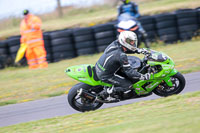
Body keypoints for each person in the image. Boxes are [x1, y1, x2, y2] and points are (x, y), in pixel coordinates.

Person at [95, 31, 151, 98]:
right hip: (106, 75)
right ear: (124, 41)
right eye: (131, 41)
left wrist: (138, 50)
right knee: (128, 86)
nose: (133, 43)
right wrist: (142, 76)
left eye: (133, 41)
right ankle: (106, 93)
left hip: (99, 66)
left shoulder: (115, 43)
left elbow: (127, 49)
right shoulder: (121, 55)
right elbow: (129, 72)